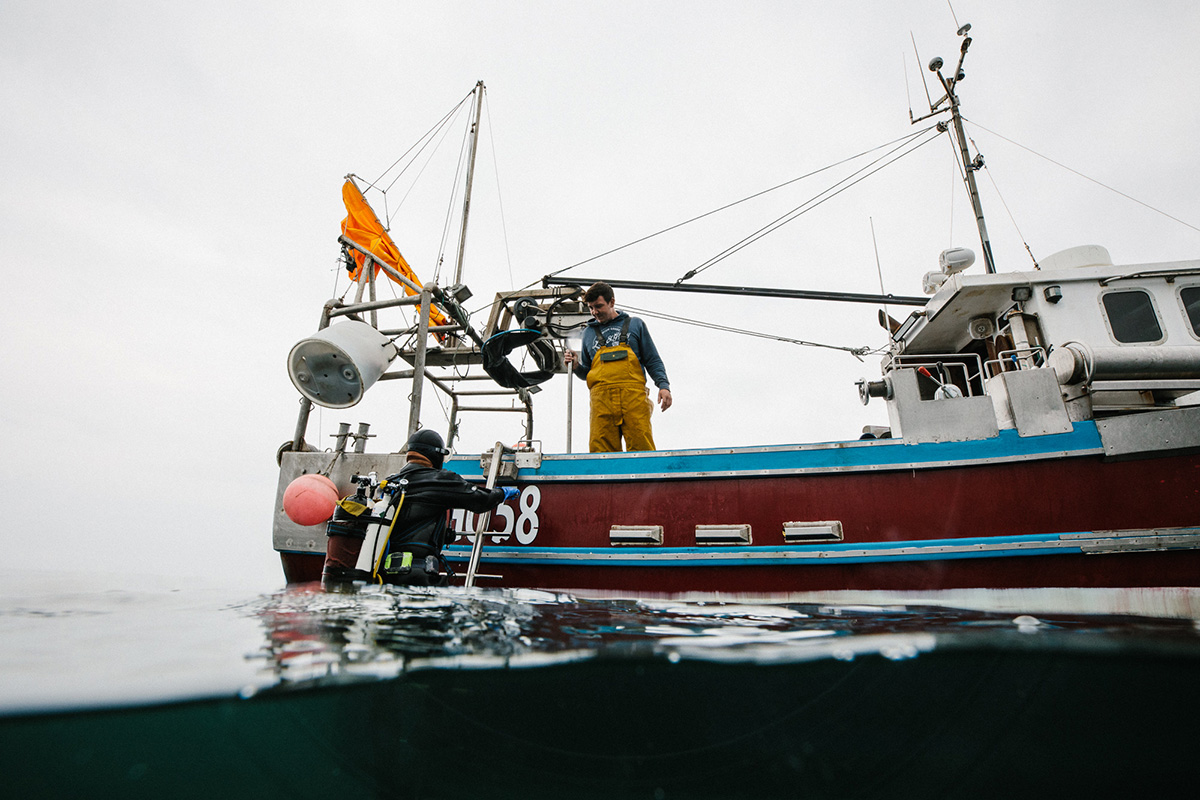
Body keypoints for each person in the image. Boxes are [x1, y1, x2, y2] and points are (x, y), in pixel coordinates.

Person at [321, 428, 516, 589]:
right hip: (418, 577)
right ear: (436, 455)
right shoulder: (440, 480)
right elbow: (481, 501)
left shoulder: (391, 483)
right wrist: (502, 493)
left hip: (384, 577)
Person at [564, 281, 672, 452]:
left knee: (641, 449)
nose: (594, 312)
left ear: (612, 302)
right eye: (591, 307)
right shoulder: (588, 333)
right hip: (601, 402)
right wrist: (577, 365)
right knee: (601, 452)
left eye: (598, 306)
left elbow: (652, 359)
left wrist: (663, 386)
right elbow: (587, 373)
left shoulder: (635, 324)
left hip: (633, 399)